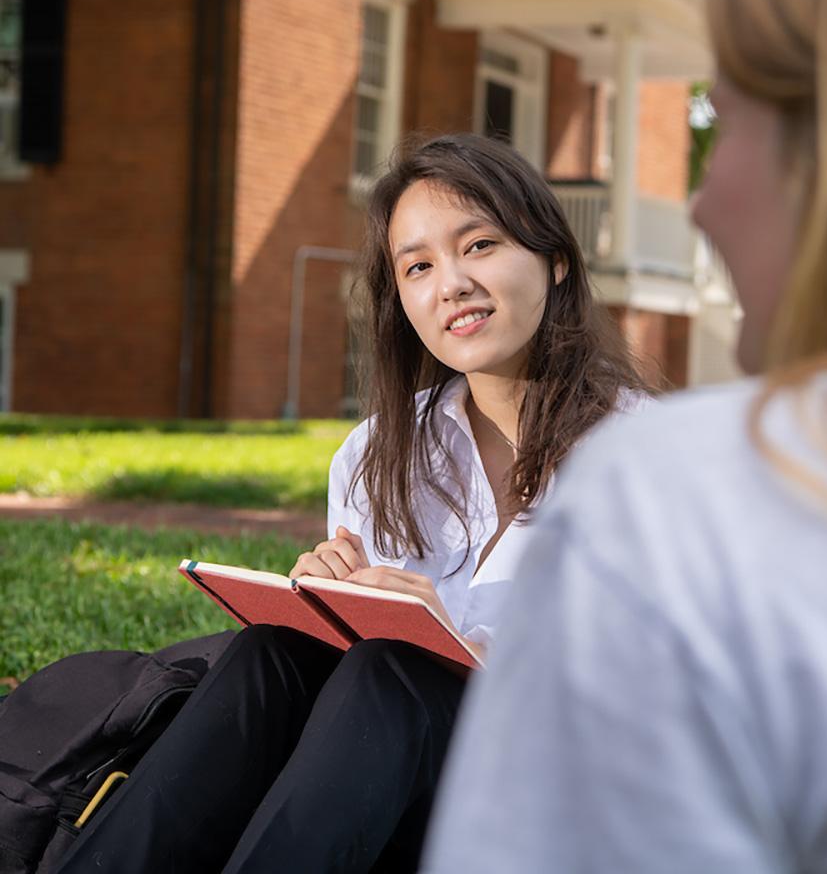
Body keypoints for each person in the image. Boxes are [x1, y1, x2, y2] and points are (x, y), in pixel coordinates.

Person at [421, 0, 827, 872]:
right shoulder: (398, 449)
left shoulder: (676, 498)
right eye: (415, 264)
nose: (696, 206)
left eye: (723, 122)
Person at [57, 133, 646, 873]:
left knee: (395, 672)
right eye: (419, 266)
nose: (451, 284)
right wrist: (328, 599)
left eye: (481, 245)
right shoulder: (377, 451)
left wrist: (480, 658)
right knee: (275, 651)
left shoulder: (653, 459)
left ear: (555, 259)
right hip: (386, 795)